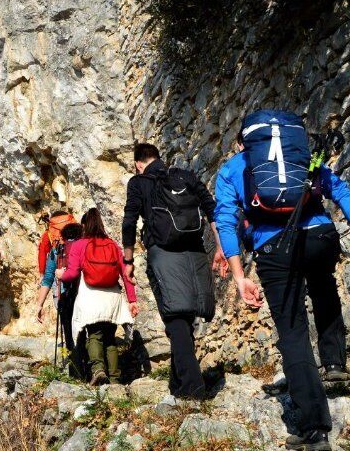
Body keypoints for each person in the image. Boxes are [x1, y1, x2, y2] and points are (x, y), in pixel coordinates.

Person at [214, 110, 350, 451]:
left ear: (243, 142)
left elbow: (225, 218)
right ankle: (335, 363)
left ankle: (315, 428)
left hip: (274, 247)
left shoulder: (234, 168)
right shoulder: (301, 158)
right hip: (320, 234)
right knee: (323, 285)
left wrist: (238, 276)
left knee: (292, 330)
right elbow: (340, 190)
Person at [122, 143, 227, 401]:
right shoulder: (185, 176)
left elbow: (129, 219)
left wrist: (128, 259)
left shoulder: (139, 182)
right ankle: (178, 383)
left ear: (138, 163)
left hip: (163, 253)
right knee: (185, 315)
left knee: (175, 318)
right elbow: (212, 209)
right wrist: (221, 247)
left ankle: (193, 389)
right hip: (195, 250)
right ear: (159, 157)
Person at [58, 208, 140, 385]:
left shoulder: (80, 245)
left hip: (91, 296)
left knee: (94, 335)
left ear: (85, 225)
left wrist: (60, 275)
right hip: (112, 297)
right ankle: (116, 379)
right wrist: (132, 300)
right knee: (110, 337)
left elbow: (71, 274)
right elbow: (126, 274)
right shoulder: (112, 245)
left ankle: (98, 370)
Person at [36, 221, 84, 370]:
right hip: (84, 295)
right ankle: (87, 364)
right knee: (85, 331)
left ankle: (73, 366)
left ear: (62, 237)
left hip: (63, 296)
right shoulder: (85, 248)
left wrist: (39, 304)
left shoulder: (56, 251)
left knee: (68, 330)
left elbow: (48, 278)